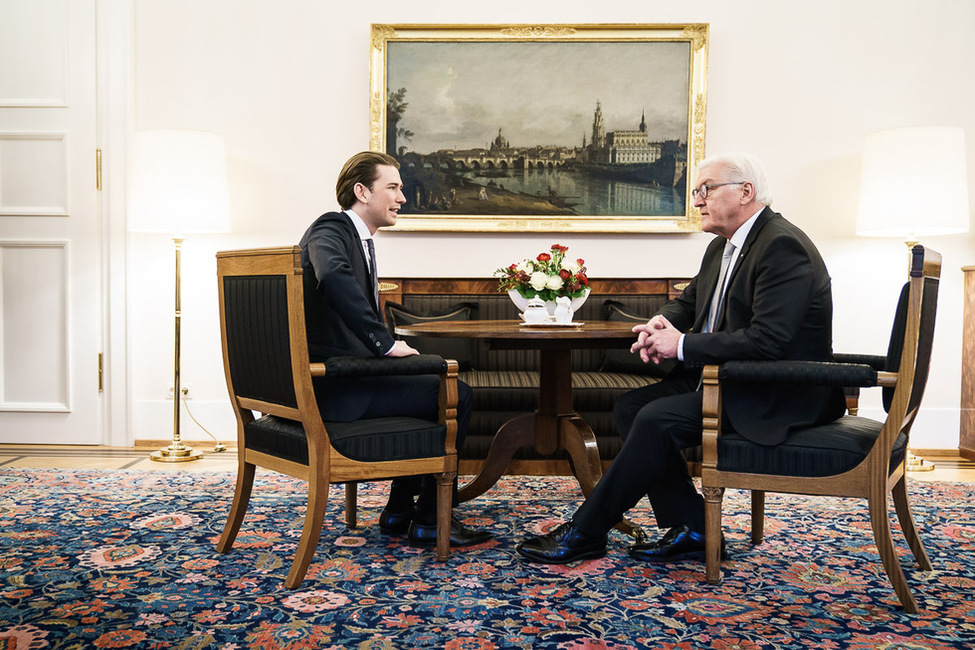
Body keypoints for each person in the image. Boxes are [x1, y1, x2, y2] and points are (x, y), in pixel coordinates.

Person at [516, 152, 845, 564]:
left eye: (704, 190)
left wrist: (682, 345)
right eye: (696, 192)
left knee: (656, 419)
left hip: (777, 391)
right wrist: (660, 325)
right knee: (634, 406)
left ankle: (586, 530)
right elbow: (686, 304)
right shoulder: (723, 247)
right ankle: (693, 526)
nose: (696, 201)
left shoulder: (782, 245)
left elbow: (769, 342)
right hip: (728, 379)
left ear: (746, 192)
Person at [299, 151, 492, 548]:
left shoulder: (357, 238)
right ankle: (430, 519)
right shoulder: (330, 228)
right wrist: (385, 345)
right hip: (337, 389)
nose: (402, 197)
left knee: (430, 380)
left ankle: (400, 510)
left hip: (348, 377)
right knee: (456, 393)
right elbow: (333, 275)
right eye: (393, 187)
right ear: (361, 192)